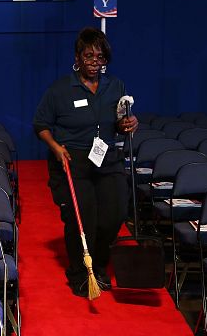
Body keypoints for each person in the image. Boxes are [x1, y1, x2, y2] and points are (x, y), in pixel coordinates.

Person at [33, 27, 138, 297]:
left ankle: (98, 264)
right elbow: (41, 125)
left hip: (107, 158)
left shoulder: (115, 86)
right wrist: (55, 147)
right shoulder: (60, 89)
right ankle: (82, 273)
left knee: (114, 216)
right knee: (84, 219)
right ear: (77, 57)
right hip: (74, 159)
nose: (94, 62)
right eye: (89, 56)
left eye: (100, 57)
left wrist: (128, 124)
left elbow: (120, 121)